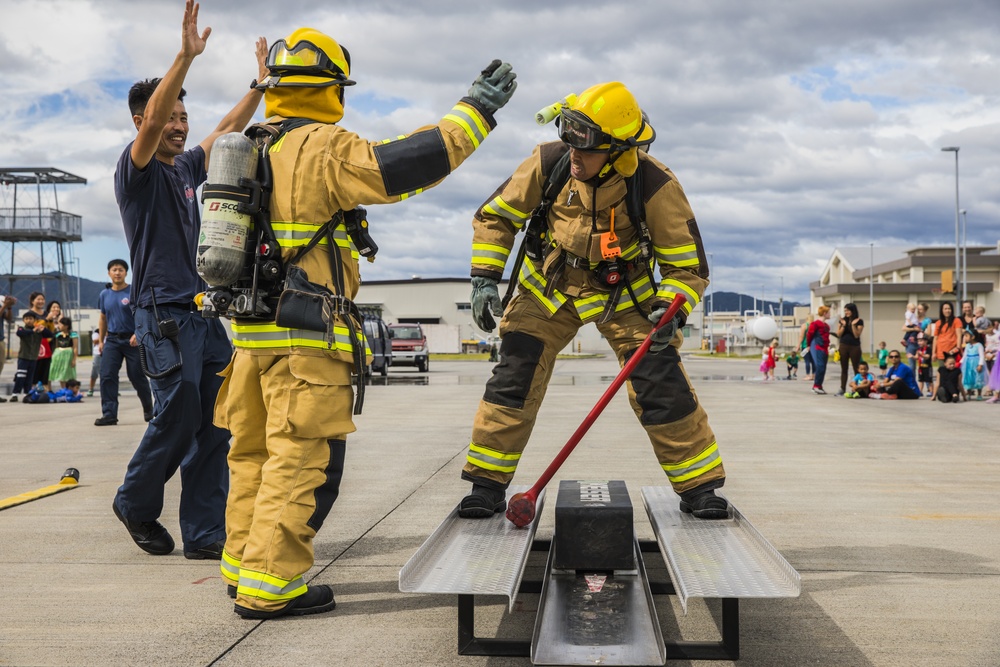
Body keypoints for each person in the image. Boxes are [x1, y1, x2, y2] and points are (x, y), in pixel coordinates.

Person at [212, 28, 517, 620]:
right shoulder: (323, 146)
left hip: (249, 337)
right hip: (304, 335)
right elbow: (407, 164)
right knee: (295, 461)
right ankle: (270, 586)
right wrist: (475, 111)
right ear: (332, 88)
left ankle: (241, 566)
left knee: (249, 455)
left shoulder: (252, 144)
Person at [457, 81, 729, 528]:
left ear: (620, 150)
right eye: (568, 136)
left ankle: (699, 486)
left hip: (626, 296)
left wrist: (672, 306)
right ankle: (485, 484)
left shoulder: (655, 184)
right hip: (549, 288)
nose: (572, 153)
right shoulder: (550, 162)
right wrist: (484, 277)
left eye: (584, 144)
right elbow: (497, 216)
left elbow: (686, 267)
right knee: (515, 375)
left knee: (659, 382)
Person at [111, 1, 267, 564]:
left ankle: (205, 534)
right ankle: (134, 502)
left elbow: (227, 129)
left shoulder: (184, 169)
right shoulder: (139, 171)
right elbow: (153, 124)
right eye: (168, 118)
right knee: (176, 413)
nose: (178, 126)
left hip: (203, 312)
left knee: (218, 420)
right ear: (142, 122)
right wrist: (185, 56)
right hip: (163, 313)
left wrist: (260, 85)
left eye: (183, 118)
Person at [96, 259, 154, 426]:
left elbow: (142, 315)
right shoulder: (104, 295)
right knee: (107, 375)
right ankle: (109, 414)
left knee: (137, 376)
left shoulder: (132, 292)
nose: (117, 272)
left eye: (120, 269)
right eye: (114, 270)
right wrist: (101, 341)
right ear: (109, 273)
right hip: (112, 340)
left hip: (132, 340)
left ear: (126, 273)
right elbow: (102, 318)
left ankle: (149, 410)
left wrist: (138, 333)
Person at [11, 312, 54, 401]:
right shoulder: (22, 328)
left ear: (34, 320)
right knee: (20, 376)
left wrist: (44, 329)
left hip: (34, 358)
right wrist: (32, 330)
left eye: (31, 319)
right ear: (23, 320)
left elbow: (50, 335)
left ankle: (27, 393)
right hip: (23, 357)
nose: (29, 320)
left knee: (30, 377)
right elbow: (20, 333)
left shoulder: (38, 332)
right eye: (26, 319)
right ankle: (15, 393)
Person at [835, 303, 864, 396]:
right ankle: (842, 388)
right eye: (845, 310)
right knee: (844, 368)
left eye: (847, 310)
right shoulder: (842, 320)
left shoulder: (859, 321)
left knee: (856, 368)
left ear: (853, 310)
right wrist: (843, 325)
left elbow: (856, 335)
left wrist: (852, 325)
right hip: (843, 345)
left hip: (854, 347)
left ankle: (858, 388)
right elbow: (838, 334)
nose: (846, 312)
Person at [48, 317, 79, 389]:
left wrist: (74, 359)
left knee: (67, 372)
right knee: (59, 371)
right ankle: (63, 389)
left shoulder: (73, 335)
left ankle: (70, 389)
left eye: (60, 324)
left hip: (68, 355)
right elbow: (55, 346)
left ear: (66, 326)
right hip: (58, 354)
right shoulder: (57, 334)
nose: (59, 326)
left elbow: (75, 347)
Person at [807, 305, 831, 394]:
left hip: (824, 348)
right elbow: (809, 334)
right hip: (818, 347)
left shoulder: (827, 326)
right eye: (828, 313)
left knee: (823, 367)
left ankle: (819, 385)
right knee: (820, 366)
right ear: (824, 313)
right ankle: (816, 386)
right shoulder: (815, 324)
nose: (830, 314)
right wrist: (809, 345)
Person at [932, 302, 963, 366]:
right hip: (941, 352)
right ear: (942, 311)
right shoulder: (938, 323)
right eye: (945, 309)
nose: (947, 311)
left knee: (953, 373)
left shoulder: (956, 321)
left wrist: (957, 348)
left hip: (952, 352)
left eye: (949, 309)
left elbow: (959, 335)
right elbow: (935, 338)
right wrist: (933, 353)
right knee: (942, 372)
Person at [960, 330, 988, 400]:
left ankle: (979, 394)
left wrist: (980, 365)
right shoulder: (968, 345)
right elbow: (965, 355)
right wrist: (961, 363)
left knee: (978, 377)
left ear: (973, 337)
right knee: (968, 377)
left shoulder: (979, 345)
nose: (965, 338)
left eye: (966, 336)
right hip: (968, 363)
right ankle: (969, 393)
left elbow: (982, 356)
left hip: (976, 363)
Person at [0, 293, 15, 401]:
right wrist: (4, 306)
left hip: (0, 339)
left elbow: (9, 318)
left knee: (0, 365)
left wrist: (9, 307)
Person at [799, 315, 814, 380]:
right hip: (813, 346)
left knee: (807, 361)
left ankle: (808, 375)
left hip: (805, 345)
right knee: (813, 361)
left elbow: (801, 336)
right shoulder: (814, 325)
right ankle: (813, 375)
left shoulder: (804, 325)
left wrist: (798, 345)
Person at [88, 329, 101, 397]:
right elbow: (95, 341)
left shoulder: (112, 331)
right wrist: (103, 334)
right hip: (98, 354)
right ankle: (91, 389)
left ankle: (113, 390)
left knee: (110, 372)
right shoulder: (96, 332)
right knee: (94, 372)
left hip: (108, 353)